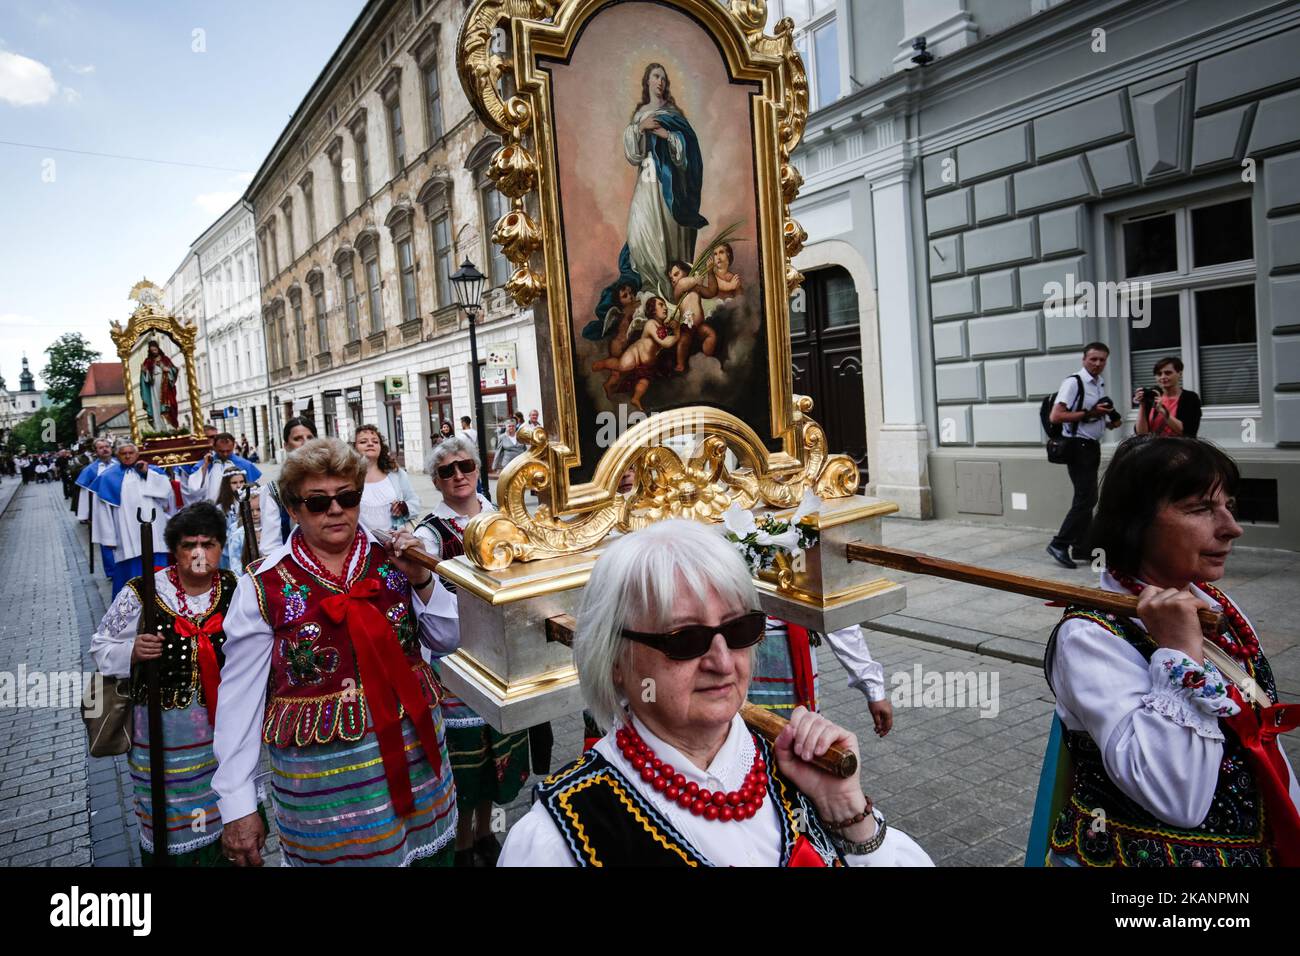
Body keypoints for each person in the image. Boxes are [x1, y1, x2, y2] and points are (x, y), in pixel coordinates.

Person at [499, 519, 931, 867]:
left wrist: (848, 814)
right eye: (684, 639)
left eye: (738, 628)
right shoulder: (559, 837)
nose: (723, 662)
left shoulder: (799, 772)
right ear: (615, 661)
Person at [1029, 436, 1299, 866]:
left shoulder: (1214, 604)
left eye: (1228, 505)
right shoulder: (1089, 636)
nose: (1232, 526)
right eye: (1201, 509)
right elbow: (1178, 800)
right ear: (1135, 522)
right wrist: (1180, 654)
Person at [213, 437, 461, 867]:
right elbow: (239, 703)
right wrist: (237, 805)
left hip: (417, 759)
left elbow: (448, 639)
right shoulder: (263, 585)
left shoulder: (397, 556)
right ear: (292, 508)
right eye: (317, 502)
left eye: (347, 497)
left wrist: (422, 579)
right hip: (326, 789)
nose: (335, 510)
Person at [89, 502, 246, 865]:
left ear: (222, 546)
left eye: (208, 544)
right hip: (162, 734)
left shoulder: (236, 588)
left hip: (225, 729)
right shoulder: (142, 591)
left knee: (230, 804)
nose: (199, 554)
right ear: (174, 550)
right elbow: (100, 648)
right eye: (189, 545)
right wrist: (131, 650)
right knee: (171, 815)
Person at [414, 438, 534, 866]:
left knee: (498, 756)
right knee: (466, 763)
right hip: (457, 662)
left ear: (479, 469)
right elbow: (426, 606)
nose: (458, 475)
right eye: (447, 471)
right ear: (436, 481)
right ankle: (462, 844)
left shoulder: (504, 519)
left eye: (465, 465)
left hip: (503, 656)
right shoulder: (428, 533)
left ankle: (486, 833)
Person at [1046, 342, 1121, 569]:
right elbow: (1056, 416)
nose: (1098, 364)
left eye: (1102, 360)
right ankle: (1059, 544)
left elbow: (1093, 417)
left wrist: (1108, 420)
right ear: (1084, 359)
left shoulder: (1098, 384)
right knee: (1086, 499)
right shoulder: (1073, 382)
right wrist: (1091, 413)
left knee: (1086, 497)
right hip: (1077, 447)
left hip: (1090, 446)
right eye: (1093, 359)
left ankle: (1081, 547)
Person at [750, 620, 893, 737]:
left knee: (791, 743)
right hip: (749, 646)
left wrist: (874, 689)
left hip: (786, 654)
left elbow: (834, 606)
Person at [91, 440, 177, 596]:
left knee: (159, 572)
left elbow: (166, 496)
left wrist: (146, 474)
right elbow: (103, 512)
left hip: (155, 532)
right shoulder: (108, 477)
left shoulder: (152, 472)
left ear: (137, 454)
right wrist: (108, 539)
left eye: (131, 453)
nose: (128, 456)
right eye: (124, 453)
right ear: (117, 455)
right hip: (126, 536)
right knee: (130, 577)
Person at [259, 416, 317, 554]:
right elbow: (270, 547)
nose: (305, 443)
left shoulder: (334, 479)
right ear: (286, 445)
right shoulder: (274, 490)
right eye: (298, 439)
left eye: (310, 437)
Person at [354, 424, 421, 532]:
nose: (370, 444)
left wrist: (404, 508)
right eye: (363, 442)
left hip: (395, 542)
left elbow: (415, 502)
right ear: (354, 447)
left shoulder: (396, 474)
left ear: (381, 447)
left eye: (375, 441)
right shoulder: (348, 478)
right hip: (362, 543)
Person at [76, 438, 119, 580]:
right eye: (101, 447)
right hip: (100, 509)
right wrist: (85, 514)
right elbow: (84, 493)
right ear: (96, 451)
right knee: (105, 537)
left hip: (121, 507)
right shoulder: (90, 470)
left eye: (107, 446)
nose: (105, 449)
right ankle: (112, 571)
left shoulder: (120, 465)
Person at [185, 432, 262, 505]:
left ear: (233, 446)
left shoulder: (245, 465)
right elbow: (195, 490)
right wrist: (205, 467)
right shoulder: (205, 464)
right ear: (214, 447)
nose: (225, 454)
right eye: (221, 451)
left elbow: (253, 490)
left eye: (228, 451)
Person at [1134, 356, 1202, 439]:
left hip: (1180, 449)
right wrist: (1142, 405)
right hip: (1153, 448)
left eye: (1168, 373)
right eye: (1159, 374)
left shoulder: (1190, 398)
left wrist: (1163, 412)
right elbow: (1141, 434)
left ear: (1179, 374)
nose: (1163, 377)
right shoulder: (1153, 396)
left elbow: (1188, 432)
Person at [139, 339, 180, 432]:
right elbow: (145, 377)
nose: (154, 352)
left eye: (155, 349)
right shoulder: (148, 361)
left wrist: (168, 370)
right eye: (152, 350)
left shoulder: (165, 359)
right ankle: (159, 427)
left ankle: (170, 426)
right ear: (150, 351)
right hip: (153, 385)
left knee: (167, 405)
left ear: (158, 349)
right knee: (155, 405)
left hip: (165, 384)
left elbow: (174, 370)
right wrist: (145, 372)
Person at [214, 466, 250, 572]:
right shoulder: (220, 509)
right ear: (227, 485)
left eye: (242, 481)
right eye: (234, 483)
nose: (239, 486)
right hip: (228, 555)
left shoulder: (250, 502)